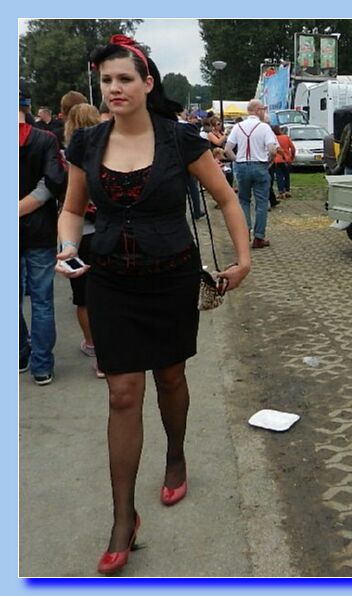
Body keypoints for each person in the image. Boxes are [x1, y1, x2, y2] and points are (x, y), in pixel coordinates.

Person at [55, 35, 251, 575]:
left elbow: (227, 198)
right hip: (111, 281)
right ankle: (123, 518)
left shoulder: (181, 141)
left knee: (169, 377)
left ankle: (176, 455)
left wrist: (243, 258)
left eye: (124, 79)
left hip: (170, 278)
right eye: (107, 81)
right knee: (123, 392)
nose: (114, 89)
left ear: (147, 84)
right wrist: (67, 245)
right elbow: (72, 210)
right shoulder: (87, 145)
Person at [20, 86, 67, 385]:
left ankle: (20, 355)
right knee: (42, 301)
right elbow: (52, 182)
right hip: (39, 229)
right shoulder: (46, 139)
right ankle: (41, 365)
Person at [63, 103, 106, 377]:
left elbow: (66, 202)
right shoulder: (110, 149)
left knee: (83, 298)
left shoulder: (68, 155)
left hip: (78, 235)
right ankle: (106, 357)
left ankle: (92, 344)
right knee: (107, 295)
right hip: (106, 232)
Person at [225, 99, 277, 248]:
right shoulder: (264, 127)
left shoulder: (237, 127)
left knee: (244, 201)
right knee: (261, 202)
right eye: (263, 109)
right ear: (257, 110)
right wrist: (268, 162)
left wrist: (237, 161)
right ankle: (259, 237)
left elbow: (227, 150)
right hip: (260, 165)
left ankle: (245, 232)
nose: (264, 112)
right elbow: (273, 149)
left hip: (241, 166)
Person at [273, 124, 296, 200]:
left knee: (279, 176)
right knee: (287, 175)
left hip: (277, 160)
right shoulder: (286, 137)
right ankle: (287, 190)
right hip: (287, 159)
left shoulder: (273, 138)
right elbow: (293, 148)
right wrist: (292, 157)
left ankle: (281, 191)